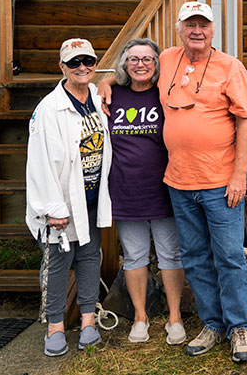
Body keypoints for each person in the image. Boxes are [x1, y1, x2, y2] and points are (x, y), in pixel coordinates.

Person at [100, 2, 247, 363]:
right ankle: (212, 324)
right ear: (179, 29)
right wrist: (106, 82)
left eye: (203, 24)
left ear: (213, 29)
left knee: (230, 257)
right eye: (190, 25)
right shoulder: (167, 59)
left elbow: (245, 121)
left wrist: (239, 175)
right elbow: (128, 70)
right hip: (179, 184)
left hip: (220, 183)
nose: (196, 31)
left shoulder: (230, 67)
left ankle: (239, 327)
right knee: (196, 257)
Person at [26, 38, 112, 356]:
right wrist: (52, 208)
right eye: (74, 62)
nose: (82, 68)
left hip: (89, 199)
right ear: (62, 67)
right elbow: (39, 163)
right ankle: (55, 327)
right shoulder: (49, 109)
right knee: (60, 263)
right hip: (61, 204)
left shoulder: (97, 98)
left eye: (87, 61)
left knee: (90, 258)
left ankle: (88, 321)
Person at [107, 38, 186, 345]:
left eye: (147, 59)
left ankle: (174, 318)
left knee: (170, 254)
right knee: (134, 255)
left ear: (157, 65)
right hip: (125, 190)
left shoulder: (165, 94)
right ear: (125, 65)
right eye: (134, 59)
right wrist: (105, 81)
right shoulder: (113, 95)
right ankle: (140, 318)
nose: (140, 64)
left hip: (164, 188)